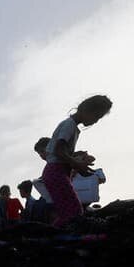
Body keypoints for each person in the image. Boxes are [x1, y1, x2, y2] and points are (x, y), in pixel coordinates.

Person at [43, 95, 113, 227]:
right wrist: (77, 164)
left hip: (58, 172)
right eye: (96, 117)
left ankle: (53, 236)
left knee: (70, 213)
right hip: (56, 172)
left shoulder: (72, 127)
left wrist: (79, 164)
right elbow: (59, 150)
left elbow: (60, 152)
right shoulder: (69, 125)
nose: (95, 121)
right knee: (73, 213)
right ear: (87, 110)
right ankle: (53, 238)